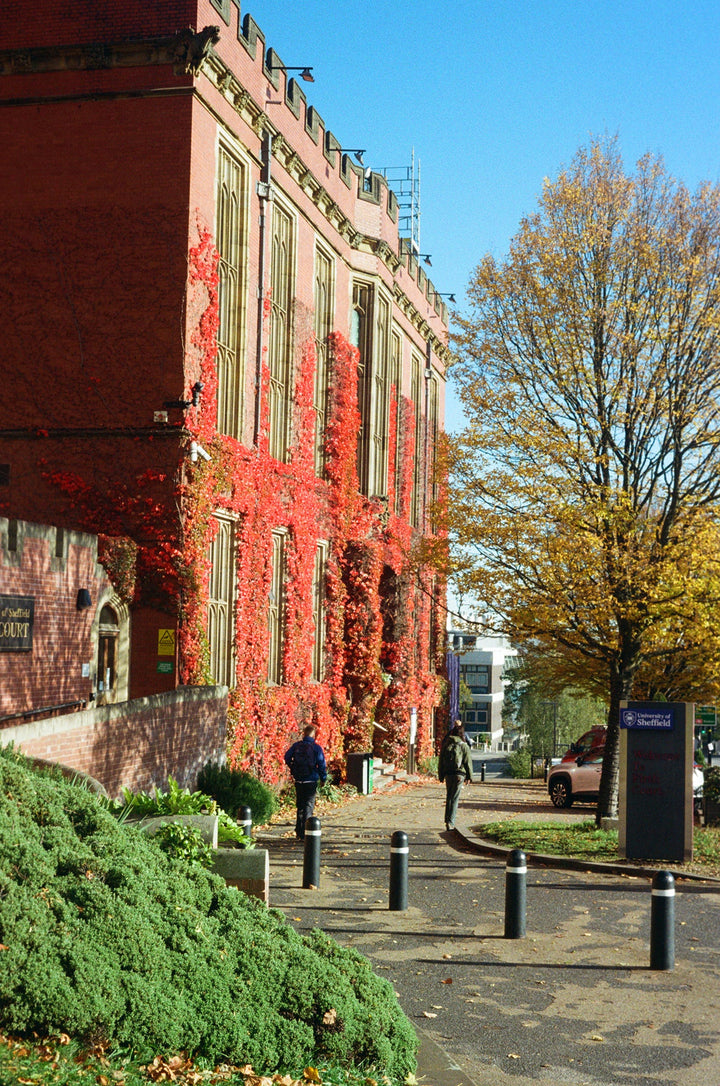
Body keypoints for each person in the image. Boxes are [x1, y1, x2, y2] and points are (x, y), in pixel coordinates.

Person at [284, 724, 327, 840]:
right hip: (311, 779)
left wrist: (293, 768)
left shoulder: (296, 746)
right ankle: (306, 832)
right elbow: (322, 764)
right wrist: (323, 778)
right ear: (314, 735)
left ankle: (298, 832)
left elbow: (287, 757)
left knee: (300, 805)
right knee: (308, 805)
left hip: (299, 780)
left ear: (304, 734)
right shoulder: (316, 748)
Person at [438, 720, 472, 830]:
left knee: (449, 797)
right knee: (455, 798)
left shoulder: (447, 744)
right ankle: (451, 822)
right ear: (462, 734)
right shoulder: (464, 745)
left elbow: (441, 760)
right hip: (459, 774)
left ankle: (447, 820)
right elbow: (468, 762)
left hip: (448, 773)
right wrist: (469, 777)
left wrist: (441, 775)